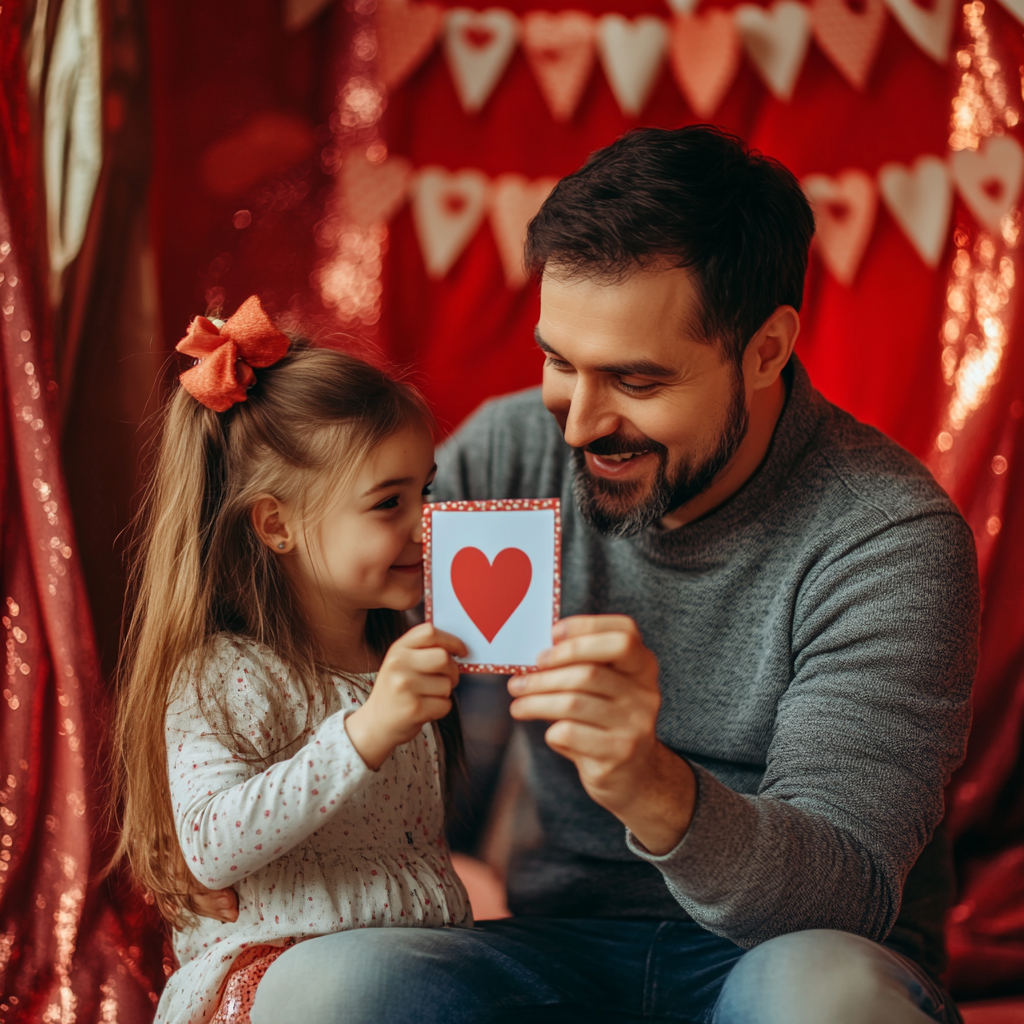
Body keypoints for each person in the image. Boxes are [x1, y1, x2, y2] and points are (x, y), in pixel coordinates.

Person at [207, 128, 978, 1023]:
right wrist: (237, 829)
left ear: (767, 350)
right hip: (554, 946)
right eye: (560, 362)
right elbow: (320, 663)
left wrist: (653, 786)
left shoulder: (886, 538)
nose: (576, 426)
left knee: (825, 998)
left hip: (784, 956)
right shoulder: (506, 457)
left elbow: (843, 896)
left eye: (637, 382)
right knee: (321, 990)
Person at [110, 296, 473, 1024]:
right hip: (284, 981)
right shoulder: (228, 673)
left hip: (411, 978)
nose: (424, 525)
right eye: (387, 504)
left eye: (424, 492)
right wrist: (366, 731)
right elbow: (211, 846)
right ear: (277, 524)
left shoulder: (394, 655)